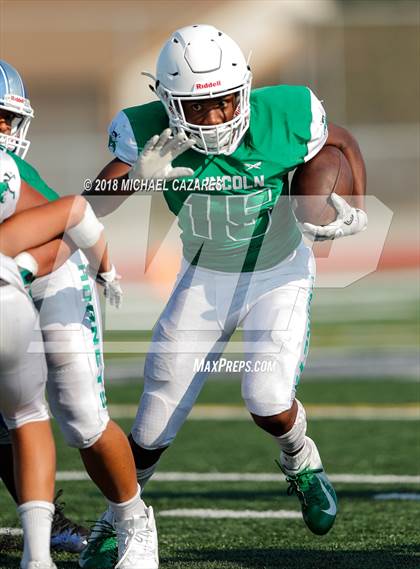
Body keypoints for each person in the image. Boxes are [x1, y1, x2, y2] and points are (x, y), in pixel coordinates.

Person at [82, 24, 368, 566]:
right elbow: (89, 207)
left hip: (277, 269)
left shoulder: (285, 113)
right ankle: (119, 518)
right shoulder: (145, 132)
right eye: (198, 106)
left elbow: (343, 143)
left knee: (265, 395)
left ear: (245, 87)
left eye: (223, 101)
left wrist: (348, 201)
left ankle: (300, 459)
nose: (215, 117)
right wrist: (138, 180)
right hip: (205, 273)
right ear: (167, 103)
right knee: (152, 419)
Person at [0, 61, 158, 569]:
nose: (5, 129)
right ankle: (40, 545)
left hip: (52, 275)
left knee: (83, 420)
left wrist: (22, 268)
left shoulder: (7, 175)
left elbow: (66, 227)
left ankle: (132, 518)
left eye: (6, 118)